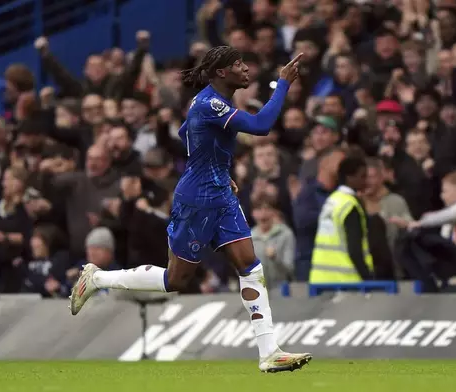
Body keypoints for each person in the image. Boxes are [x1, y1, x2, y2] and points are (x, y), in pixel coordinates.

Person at [69, 46, 311, 372]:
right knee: (175, 279)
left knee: (249, 265)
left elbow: (187, 134)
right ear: (221, 73)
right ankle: (97, 278)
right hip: (197, 200)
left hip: (221, 196)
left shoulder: (209, 103)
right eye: (238, 63)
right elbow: (261, 126)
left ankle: (269, 351)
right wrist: (282, 84)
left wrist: (218, 170)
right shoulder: (211, 103)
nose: (245, 68)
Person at [309, 156, 374, 283]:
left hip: (320, 280)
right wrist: (368, 279)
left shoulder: (332, 201)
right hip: (346, 281)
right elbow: (354, 249)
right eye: (362, 176)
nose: (366, 181)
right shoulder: (350, 206)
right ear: (350, 178)